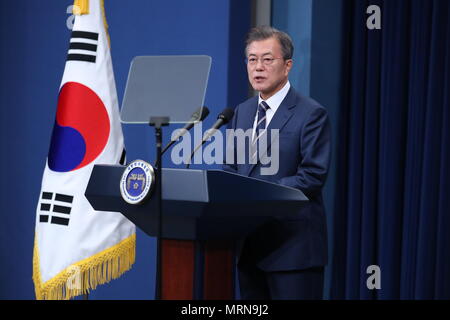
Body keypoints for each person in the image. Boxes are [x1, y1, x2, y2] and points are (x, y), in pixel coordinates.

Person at [223, 26, 331, 299]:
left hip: (292, 250)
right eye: (252, 59)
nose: (258, 67)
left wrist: (258, 195)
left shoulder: (311, 114)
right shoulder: (241, 113)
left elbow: (312, 177)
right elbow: (231, 170)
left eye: (267, 59)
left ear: (287, 65)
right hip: (249, 249)